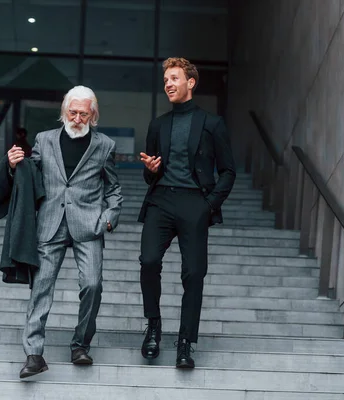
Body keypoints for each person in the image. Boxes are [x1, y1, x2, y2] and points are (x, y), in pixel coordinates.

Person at [7, 85, 123, 379]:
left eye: (84, 113)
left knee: (93, 285)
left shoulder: (105, 145)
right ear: (64, 111)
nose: (77, 118)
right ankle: (34, 354)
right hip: (51, 222)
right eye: (72, 112)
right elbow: (29, 175)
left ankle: (80, 344)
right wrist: (12, 166)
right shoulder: (44, 140)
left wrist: (109, 216)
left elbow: (114, 188)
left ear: (92, 114)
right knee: (41, 288)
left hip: (89, 224)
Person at [138, 57, 236, 369]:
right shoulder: (158, 125)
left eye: (174, 78)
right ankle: (153, 325)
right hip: (161, 201)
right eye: (165, 79)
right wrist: (151, 171)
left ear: (190, 83)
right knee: (149, 260)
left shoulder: (212, 124)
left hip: (196, 202)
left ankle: (185, 342)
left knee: (194, 274)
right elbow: (149, 175)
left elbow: (228, 171)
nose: (168, 83)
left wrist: (209, 206)